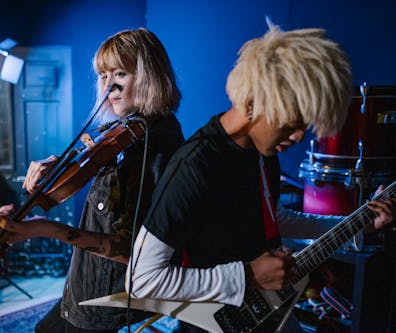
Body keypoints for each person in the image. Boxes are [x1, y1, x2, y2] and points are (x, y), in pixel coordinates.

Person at [126, 23, 396, 332]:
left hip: (268, 311)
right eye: (290, 124)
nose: (296, 137)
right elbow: (141, 281)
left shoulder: (262, 151)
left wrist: (359, 223)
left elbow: (274, 218)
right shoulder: (193, 168)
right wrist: (249, 276)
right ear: (252, 103)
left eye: (303, 126)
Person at [0, 28, 184, 332]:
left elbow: (135, 252)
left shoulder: (153, 146)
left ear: (149, 76)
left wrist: (40, 228)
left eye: (120, 73)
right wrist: (58, 168)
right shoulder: (128, 133)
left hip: (107, 299)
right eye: (103, 76)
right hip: (85, 283)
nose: (109, 87)